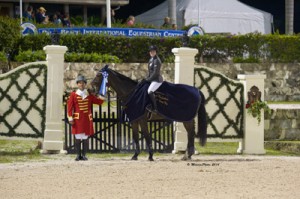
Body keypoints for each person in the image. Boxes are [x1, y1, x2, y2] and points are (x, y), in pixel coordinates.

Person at [67, 75, 104, 161]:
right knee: (77, 137)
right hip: (77, 119)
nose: (81, 84)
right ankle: (77, 155)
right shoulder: (73, 95)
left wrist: (102, 95)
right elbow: (69, 108)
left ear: (85, 84)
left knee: (85, 138)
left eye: (83, 83)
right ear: (77, 84)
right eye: (79, 83)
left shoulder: (89, 95)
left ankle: (84, 155)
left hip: (87, 119)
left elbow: (99, 102)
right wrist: (70, 118)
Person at [145, 45, 163, 112]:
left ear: (155, 52)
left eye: (153, 51)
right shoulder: (151, 59)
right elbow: (150, 71)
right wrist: (146, 78)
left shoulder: (157, 60)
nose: (152, 53)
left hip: (157, 80)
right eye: (151, 51)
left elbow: (155, 73)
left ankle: (155, 108)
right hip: (152, 79)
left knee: (150, 91)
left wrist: (148, 79)